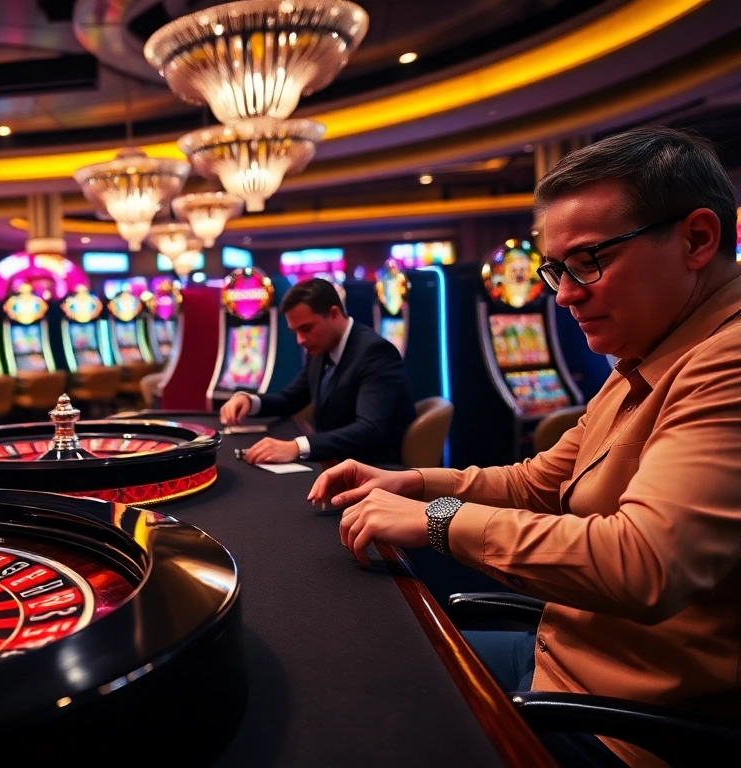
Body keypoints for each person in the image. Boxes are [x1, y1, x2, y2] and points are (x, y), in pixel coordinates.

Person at [309, 126, 741, 768]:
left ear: (697, 239)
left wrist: (437, 520)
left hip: (623, 723)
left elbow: (644, 562)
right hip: (562, 655)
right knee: (351, 666)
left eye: (589, 261)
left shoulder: (727, 362)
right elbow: (538, 480)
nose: (563, 295)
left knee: (367, 722)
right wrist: (414, 482)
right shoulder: (644, 356)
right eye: (557, 270)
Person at [220, 278, 416, 466]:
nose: (300, 340)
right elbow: (291, 398)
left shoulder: (375, 352)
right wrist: (250, 401)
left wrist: (297, 447)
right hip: (335, 460)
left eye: (306, 328)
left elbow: (368, 429)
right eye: (295, 331)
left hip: (373, 469)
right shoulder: (321, 346)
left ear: (334, 314)